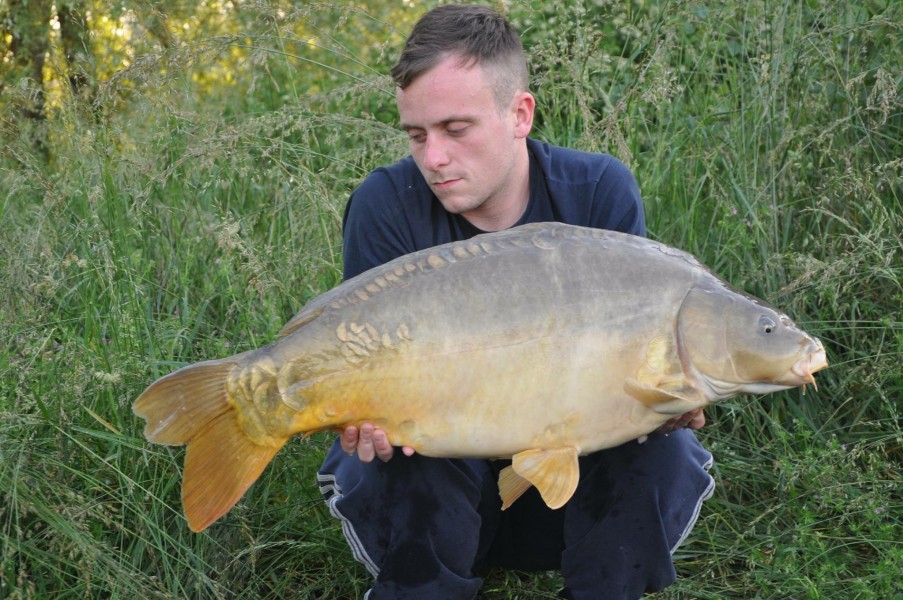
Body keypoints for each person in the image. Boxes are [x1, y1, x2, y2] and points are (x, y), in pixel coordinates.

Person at [317, 5, 714, 599]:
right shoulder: (385, 203)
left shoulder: (600, 192)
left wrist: (669, 398)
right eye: (417, 135)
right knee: (394, 455)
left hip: (566, 500)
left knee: (667, 447)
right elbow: (364, 366)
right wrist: (364, 414)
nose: (434, 159)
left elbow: (639, 361)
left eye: (456, 130)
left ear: (520, 114)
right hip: (441, 492)